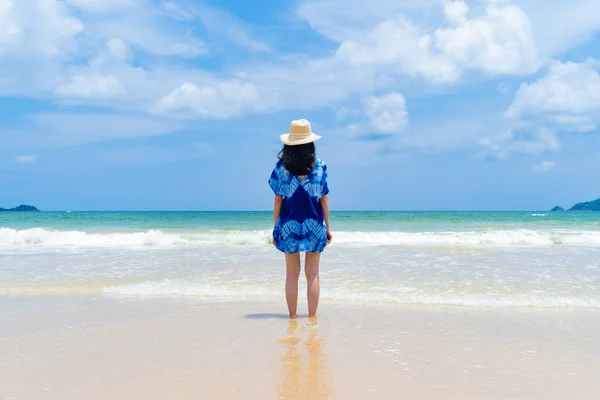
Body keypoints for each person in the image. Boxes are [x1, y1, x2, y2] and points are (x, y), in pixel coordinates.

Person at [269, 119, 332, 319]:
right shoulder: (321, 166)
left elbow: (278, 200)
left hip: (288, 226)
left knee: (291, 275)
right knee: (312, 275)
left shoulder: (281, 168)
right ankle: (312, 317)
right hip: (315, 226)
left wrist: (275, 228)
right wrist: (328, 227)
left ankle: (293, 317)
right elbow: (324, 199)